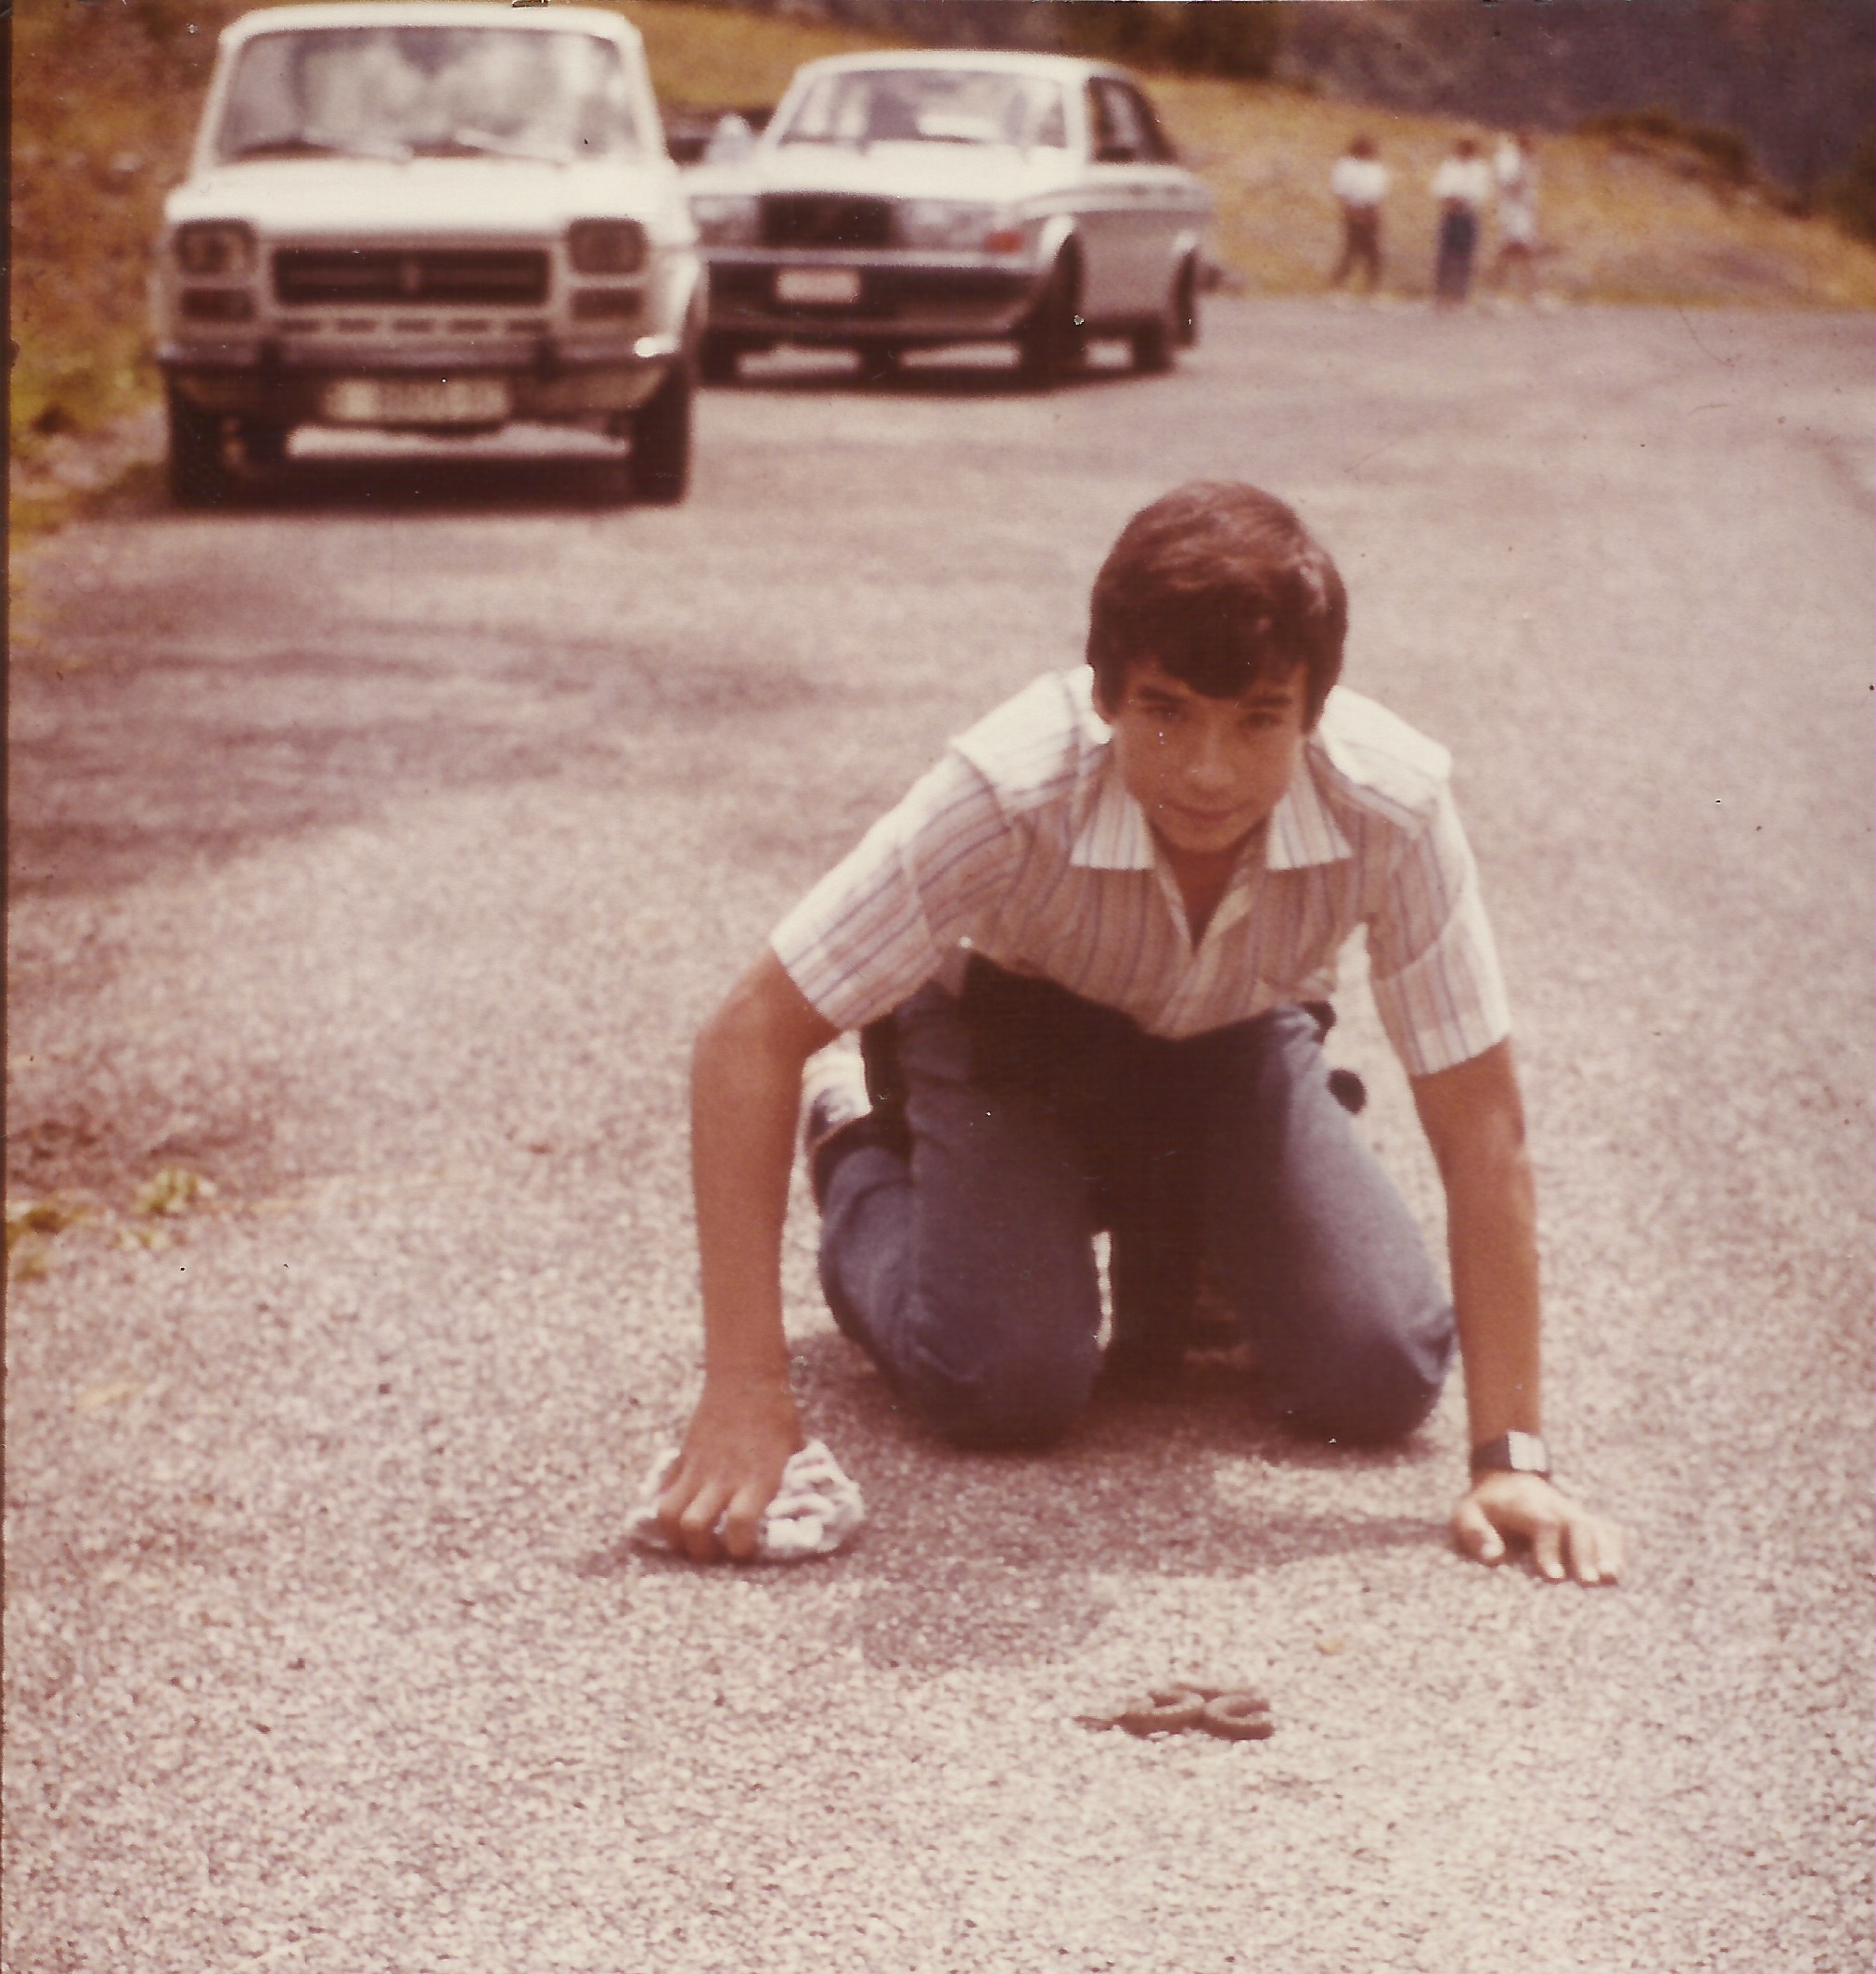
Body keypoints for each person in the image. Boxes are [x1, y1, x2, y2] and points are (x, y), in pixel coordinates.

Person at [658, 481, 1625, 1587]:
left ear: (1314, 710)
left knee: (1378, 1370)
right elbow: (747, 1036)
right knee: (1004, 1382)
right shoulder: (1010, 783)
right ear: (1106, 693)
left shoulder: (1390, 803)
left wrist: (1514, 1459)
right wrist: (742, 1393)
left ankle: (1201, 1229)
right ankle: (861, 1153)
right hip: (1009, 1039)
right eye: (1166, 710)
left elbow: (1481, 1123)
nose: (1208, 770)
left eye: (1259, 717)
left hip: (1235, 1038)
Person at [1430, 135, 1493, 308]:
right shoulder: (1450, 166)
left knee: (1465, 256)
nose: (1465, 152)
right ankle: (1441, 294)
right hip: (1451, 214)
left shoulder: (1480, 168)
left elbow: (1482, 193)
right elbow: (1439, 189)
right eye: (1463, 148)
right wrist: (1451, 200)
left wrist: (1466, 201)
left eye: (1469, 149)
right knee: (1446, 255)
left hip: (1468, 215)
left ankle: (1459, 295)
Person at [1329, 134, 1390, 293]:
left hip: (1372, 212)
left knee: (1374, 253)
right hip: (1354, 211)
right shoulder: (1346, 166)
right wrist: (1354, 214)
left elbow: (1379, 192)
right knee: (1352, 250)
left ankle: (1372, 289)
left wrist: (1375, 213)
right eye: (1366, 147)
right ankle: (1337, 286)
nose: (1371, 150)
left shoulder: (1376, 167)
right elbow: (1341, 192)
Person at [1491, 131, 1539, 298]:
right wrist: (1522, 171)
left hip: (1523, 213)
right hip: (1511, 212)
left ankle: (1531, 294)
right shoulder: (1509, 158)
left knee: (1524, 252)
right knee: (1510, 252)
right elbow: (1510, 184)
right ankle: (1492, 294)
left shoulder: (1527, 159)